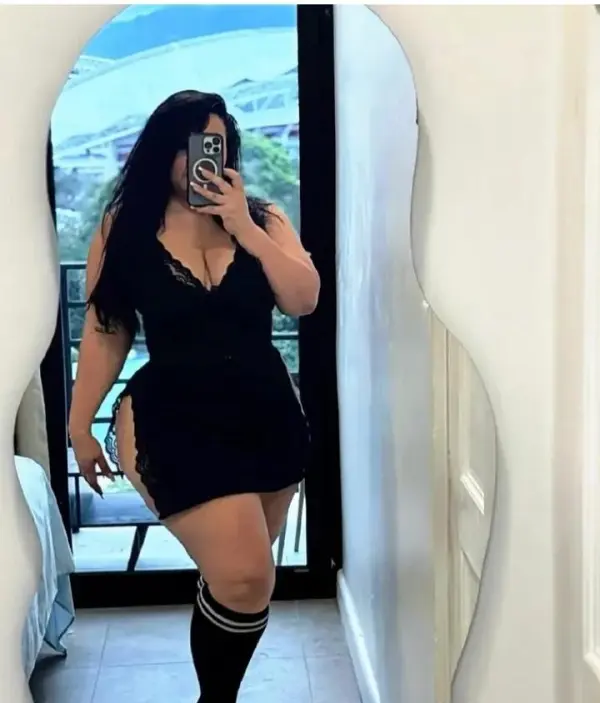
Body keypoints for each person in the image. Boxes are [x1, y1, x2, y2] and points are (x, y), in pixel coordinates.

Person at [68, 90, 319, 703]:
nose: (201, 159)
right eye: (190, 145)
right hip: (175, 417)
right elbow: (106, 328)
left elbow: (303, 299)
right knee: (246, 575)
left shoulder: (262, 218)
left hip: (265, 413)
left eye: (215, 146)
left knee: (240, 582)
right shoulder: (124, 227)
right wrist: (79, 424)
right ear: (165, 150)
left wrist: (245, 229)